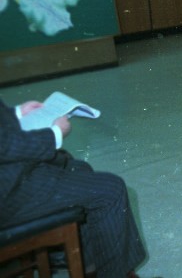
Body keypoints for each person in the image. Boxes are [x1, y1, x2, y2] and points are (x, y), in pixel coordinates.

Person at [0, 99, 147, 278]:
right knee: (111, 189)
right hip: (7, 194)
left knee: (79, 169)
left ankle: (88, 263)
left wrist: (16, 113)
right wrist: (54, 133)